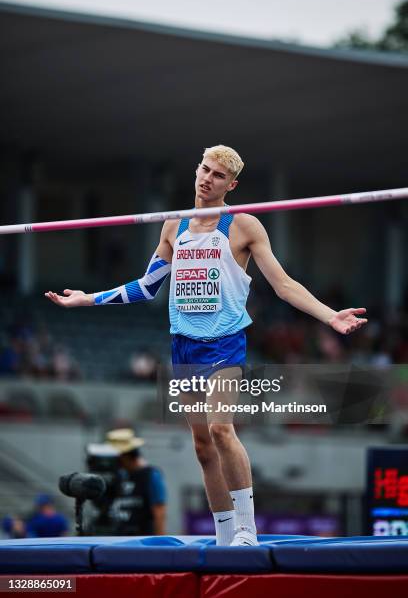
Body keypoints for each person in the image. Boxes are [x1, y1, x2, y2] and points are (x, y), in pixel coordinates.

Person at [45, 145, 367, 546]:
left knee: (220, 429)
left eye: (217, 175)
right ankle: (224, 534)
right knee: (201, 446)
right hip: (184, 347)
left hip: (225, 344)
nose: (206, 178)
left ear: (230, 185)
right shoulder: (173, 227)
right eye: (204, 169)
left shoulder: (244, 226)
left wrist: (329, 315)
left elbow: (283, 286)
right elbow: (147, 287)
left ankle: (247, 529)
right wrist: (88, 299)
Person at [105, 428, 167, 535]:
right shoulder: (119, 476)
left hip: (143, 540)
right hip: (118, 537)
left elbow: (159, 511)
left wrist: (160, 543)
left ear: (125, 456)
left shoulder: (150, 475)